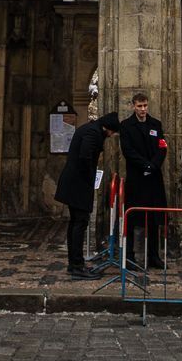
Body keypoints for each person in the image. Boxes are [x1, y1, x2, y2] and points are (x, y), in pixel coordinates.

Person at [56, 112, 118, 278]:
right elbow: (85, 157)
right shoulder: (93, 133)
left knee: (76, 222)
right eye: (112, 132)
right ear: (107, 128)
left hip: (74, 183)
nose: (111, 136)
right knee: (80, 222)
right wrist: (88, 179)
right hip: (78, 184)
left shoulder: (89, 128)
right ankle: (77, 266)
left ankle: (74, 263)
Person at [119, 92, 169, 272]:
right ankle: (130, 255)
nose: (143, 109)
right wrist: (144, 165)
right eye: (139, 106)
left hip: (154, 178)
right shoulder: (126, 126)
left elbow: (162, 147)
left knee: (154, 218)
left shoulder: (156, 124)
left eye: (145, 106)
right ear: (133, 106)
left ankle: (153, 255)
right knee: (133, 217)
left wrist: (153, 166)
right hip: (136, 178)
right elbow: (127, 150)